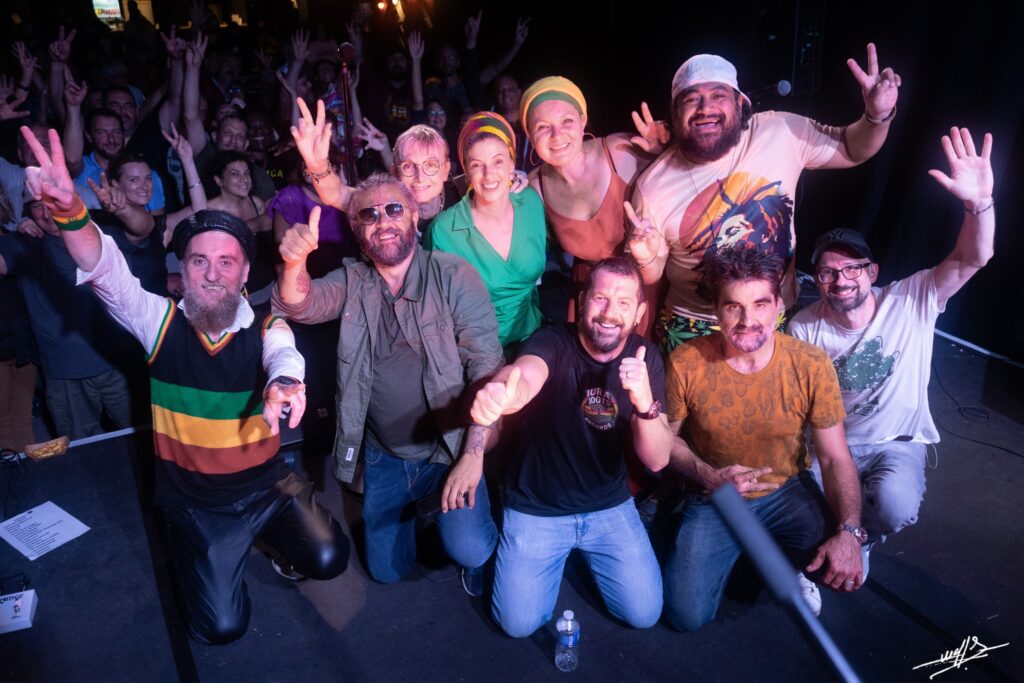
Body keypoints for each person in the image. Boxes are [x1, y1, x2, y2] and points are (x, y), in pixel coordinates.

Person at [18, 126, 350, 644]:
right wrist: (69, 211)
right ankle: (194, 551)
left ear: (244, 274)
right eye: (199, 261)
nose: (212, 275)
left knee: (330, 556)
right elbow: (104, 268)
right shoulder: (159, 321)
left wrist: (285, 381)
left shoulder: (267, 324)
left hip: (265, 486)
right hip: (198, 502)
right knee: (221, 628)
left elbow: (284, 353)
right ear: (184, 269)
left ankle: (270, 544)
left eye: (226, 263)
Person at [272, 173, 502, 595]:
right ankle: (425, 511)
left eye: (394, 209)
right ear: (358, 231)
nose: (383, 221)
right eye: (370, 215)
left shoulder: (453, 275)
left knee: (469, 550)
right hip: (386, 455)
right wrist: (294, 264)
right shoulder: (352, 280)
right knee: (386, 571)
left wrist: (472, 457)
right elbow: (298, 305)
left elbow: (486, 368)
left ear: (414, 216)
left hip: (448, 449)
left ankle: (472, 522)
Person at [789, 127, 995, 571]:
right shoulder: (806, 327)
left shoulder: (910, 298)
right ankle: (831, 539)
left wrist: (978, 204)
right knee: (794, 504)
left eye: (852, 269)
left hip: (894, 444)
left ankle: (863, 538)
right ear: (817, 281)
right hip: (831, 443)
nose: (841, 280)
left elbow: (972, 258)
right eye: (828, 273)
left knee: (894, 504)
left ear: (872, 272)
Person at [628, 46, 901, 354]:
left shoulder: (779, 131)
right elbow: (651, 273)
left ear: (740, 103)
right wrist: (645, 258)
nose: (705, 107)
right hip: (695, 326)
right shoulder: (654, 185)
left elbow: (851, 148)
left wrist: (877, 116)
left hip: (775, 315)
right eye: (691, 99)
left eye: (718, 95)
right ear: (675, 114)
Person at [663, 247, 864, 629]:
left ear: (778, 306)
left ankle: (769, 558)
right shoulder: (686, 362)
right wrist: (709, 476)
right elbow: (665, 441)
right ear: (716, 310)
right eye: (733, 307)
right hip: (716, 494)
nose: (748, 320)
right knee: (685, 616)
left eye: (759, 304)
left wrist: (850, 531)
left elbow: (835, 456)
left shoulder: (811, 363)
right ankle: (741, 554)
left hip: (785, 490)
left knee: (839, 569)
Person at [470, 257, 670, 636]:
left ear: (639, 312)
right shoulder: (551, 341)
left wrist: (645, 403)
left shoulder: (646, 358)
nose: (609, 313)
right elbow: (526, 373)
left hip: (608, 505)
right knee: (517, 625)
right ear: (582, 301)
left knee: (644, 613)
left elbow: (658, 460)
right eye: (600, 298)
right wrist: (505, 392)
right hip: (537, 507)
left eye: (623, 302)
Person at [520, 76, 668, 335]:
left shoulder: (620, 151)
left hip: (647, 290)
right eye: (543, 127)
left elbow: (686, 178)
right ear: (530, 136)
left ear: (583, 121)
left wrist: (667, 149)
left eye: (567, 121)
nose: (557, 135)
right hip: (592, 298)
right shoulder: (535, 188)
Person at [426, 112, 546, 349]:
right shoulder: (444, 230)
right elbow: (433, 309)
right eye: (476, 165)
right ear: (466, 172)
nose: (489, 174)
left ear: (512, 164)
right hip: (475, 351)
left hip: (534, 340)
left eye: (498, 161)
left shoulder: (531, 203)